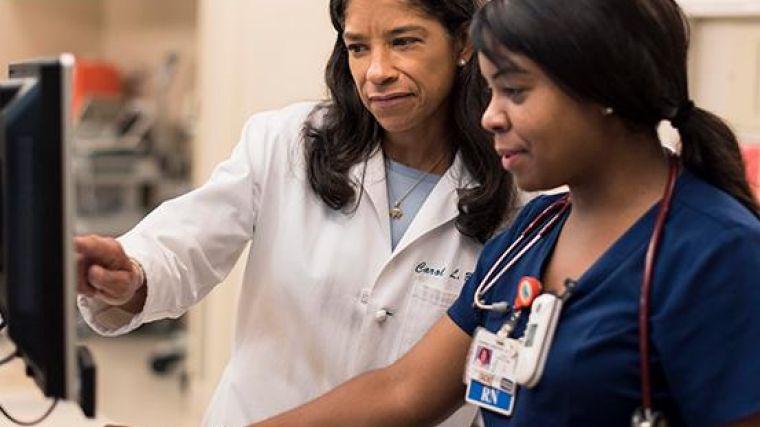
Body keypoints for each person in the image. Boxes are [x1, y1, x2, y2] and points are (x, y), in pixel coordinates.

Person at [246, 0, 760, 426]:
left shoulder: (717, 252)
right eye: (491, 90)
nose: (491, 116)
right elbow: (404, 391)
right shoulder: (532, 234)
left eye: (514, 91)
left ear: (605, 90)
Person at [74, 0, 516, 426]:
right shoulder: (286, 141)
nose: (377, 71)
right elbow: (188, 241)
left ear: (462, 42)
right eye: (358, 47)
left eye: (403, 42)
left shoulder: (517, 192)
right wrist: (132, 274)